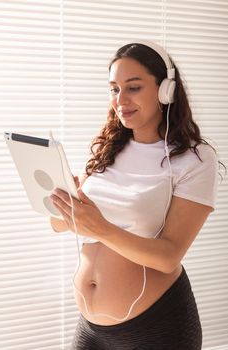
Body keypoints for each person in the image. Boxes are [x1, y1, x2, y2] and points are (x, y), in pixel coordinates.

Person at [50, 42, 220, 350]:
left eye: (134, 87)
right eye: (114, 89)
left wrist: (98, 226)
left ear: (165, 90)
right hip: (90, 329)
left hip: (157, 327)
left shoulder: (193, 158)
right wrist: (67, 207)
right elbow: (60, 225)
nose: (121, 100)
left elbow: (169, 256)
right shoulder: (109, 147)